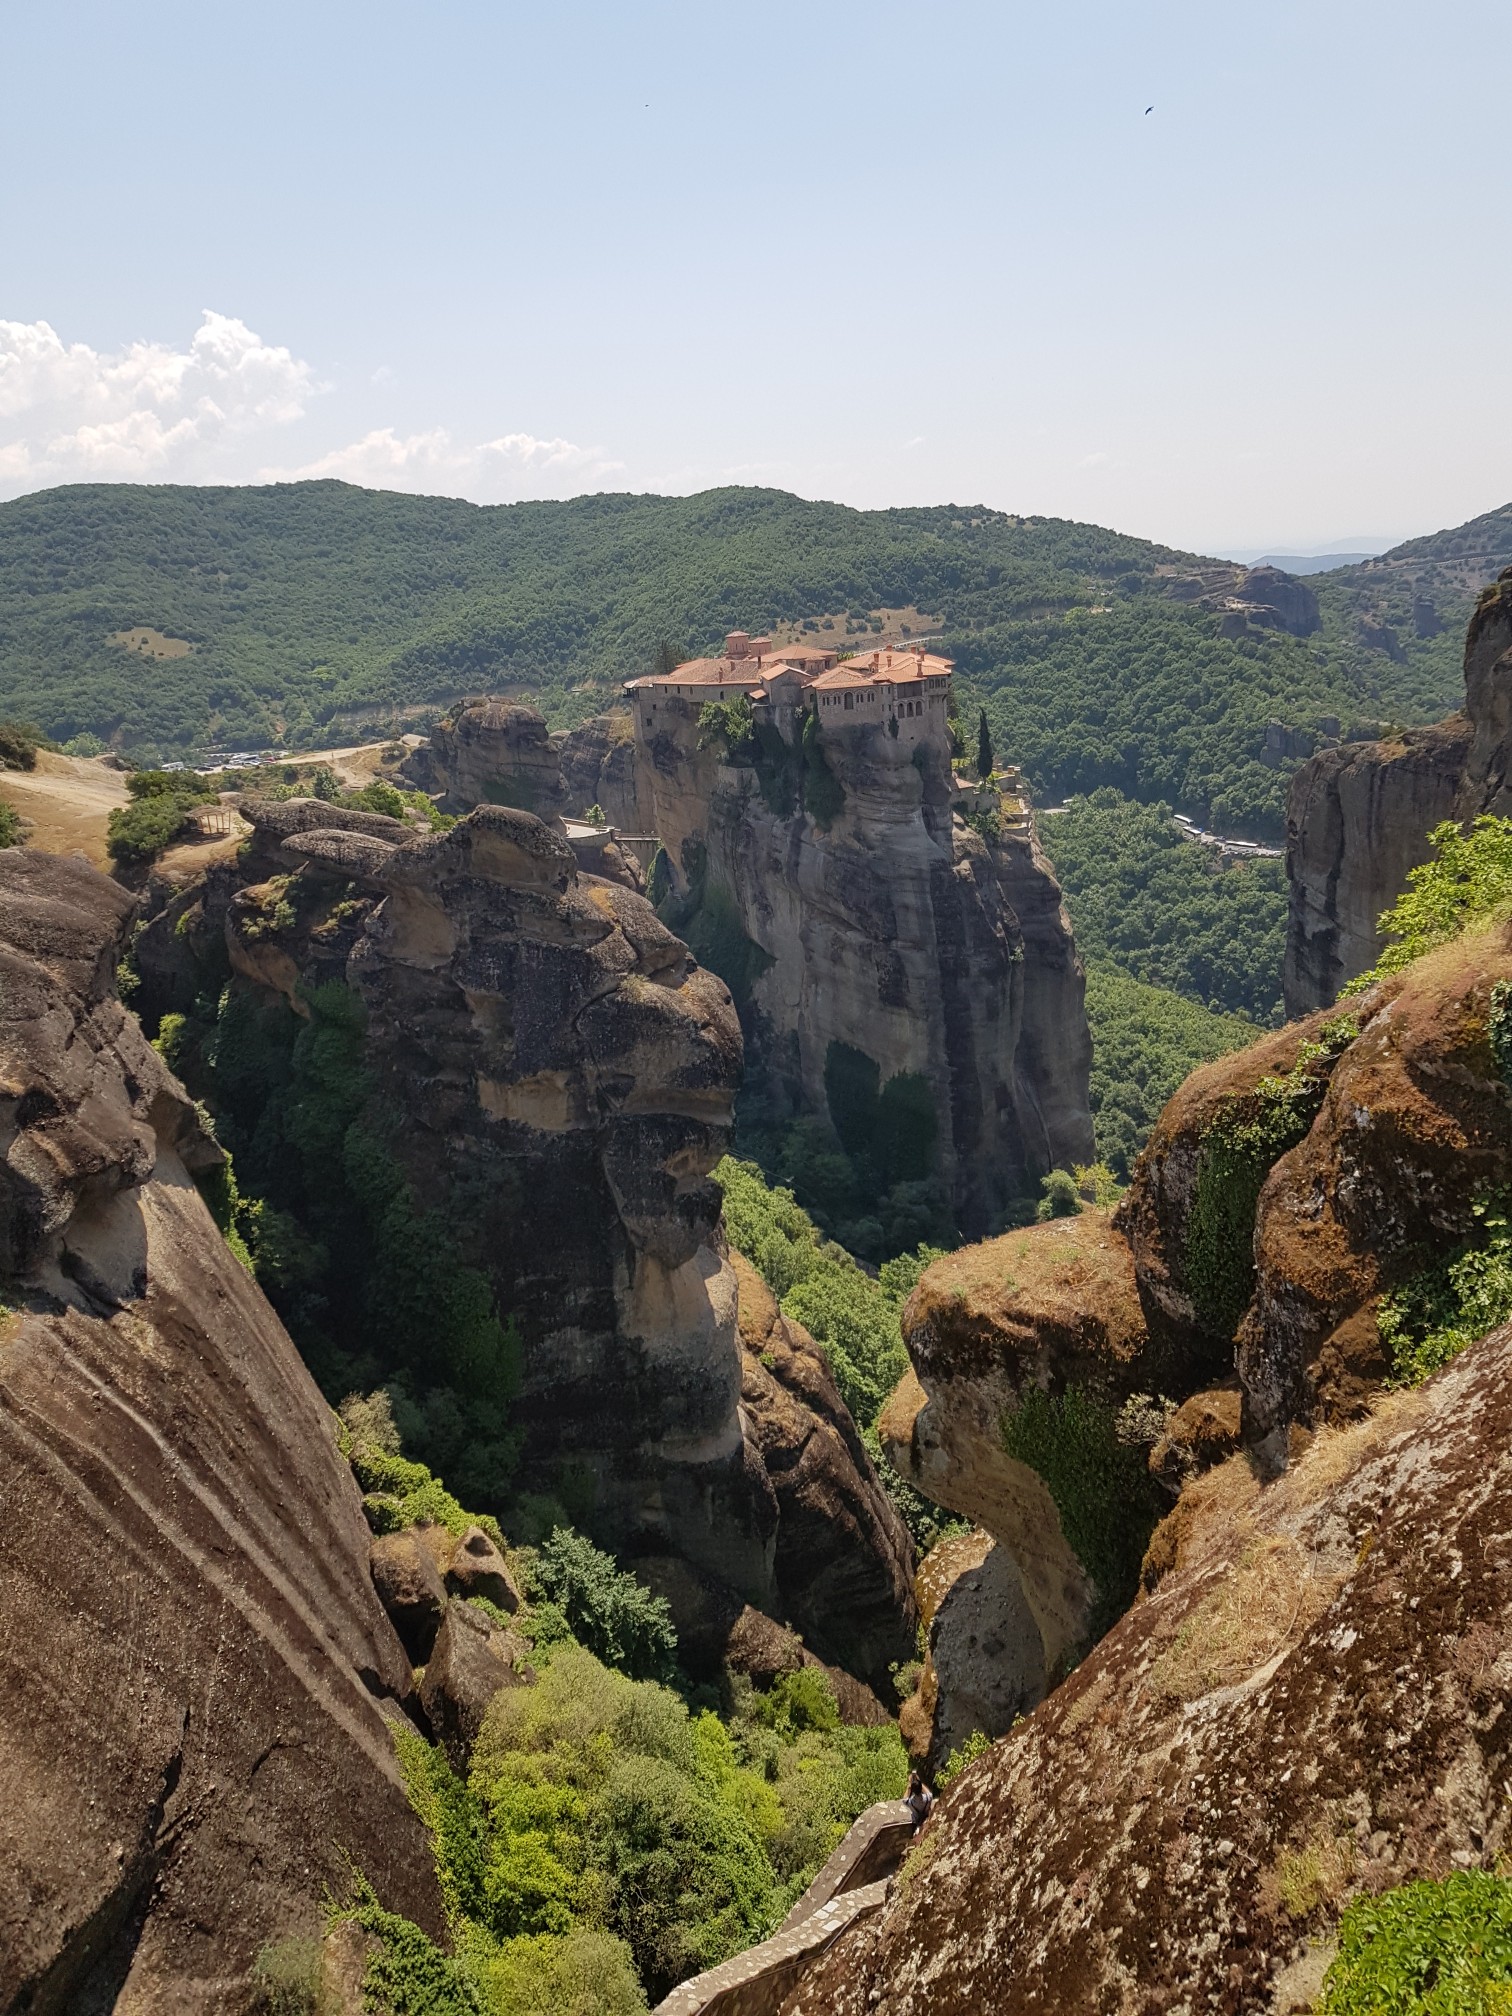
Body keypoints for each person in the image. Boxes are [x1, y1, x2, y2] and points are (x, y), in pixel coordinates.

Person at [905, 1769, 934, 1835]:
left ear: (912, 1790)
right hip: (927, 1818)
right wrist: (919, 1781)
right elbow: (928, 1792)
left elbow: (904, 1799)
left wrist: (909, 1785)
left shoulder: (911, 1802)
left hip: (916, 1822)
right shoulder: (928, 1798)